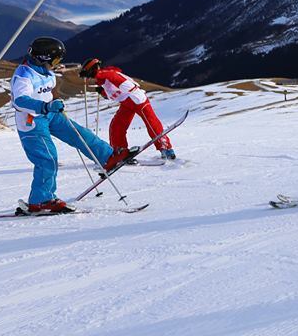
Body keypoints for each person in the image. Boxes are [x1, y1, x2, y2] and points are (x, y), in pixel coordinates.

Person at [10, 37, 136, 213]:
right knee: (47, 158)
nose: (57, 63)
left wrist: (53, 102)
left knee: (78, 133)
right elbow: (19, 101)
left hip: (49, 114)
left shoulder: (46, 72)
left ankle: (107, 158)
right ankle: (41, 200)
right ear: (43, 58)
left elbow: (46, 91)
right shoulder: (23, 75)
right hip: (31, 121)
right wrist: (45, 106)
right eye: (55, 60)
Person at [78, 58, 176, 160]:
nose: (89, 78)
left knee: (151, 122)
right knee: (116, 126)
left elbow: (113, 77)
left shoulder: (107, 73)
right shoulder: (103, 81)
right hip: (127, 103)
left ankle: (166, 148)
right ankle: (120, 151)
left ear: (92, 70)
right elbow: (114, 93)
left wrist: (96, 75)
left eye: (89, 74)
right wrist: (102, 91)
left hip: (137, 99)